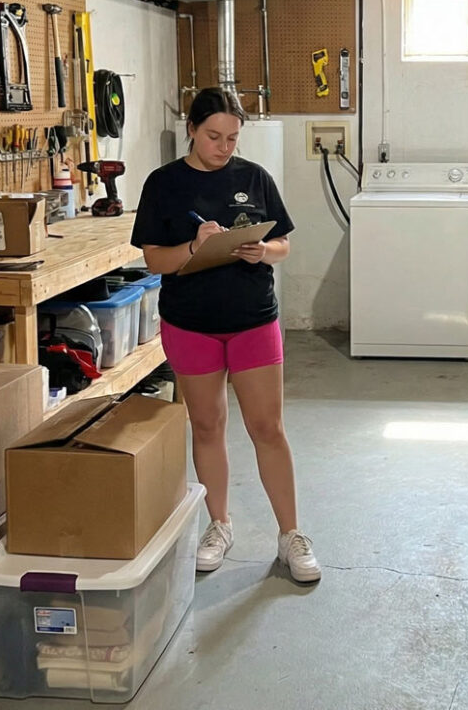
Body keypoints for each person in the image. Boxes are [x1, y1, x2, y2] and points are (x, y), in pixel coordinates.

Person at [132, 87, 320, 583]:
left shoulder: (254, 177)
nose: (224, 147)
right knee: (208, 425)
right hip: (190, 324)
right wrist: (194, 247)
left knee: (268, 428)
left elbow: (282, 243)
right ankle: (219, 524)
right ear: (191, 129)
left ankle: (291, 534)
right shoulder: (163, 184)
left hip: (253, 319)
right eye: (214, 136)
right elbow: (155, 261)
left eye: (233, 137)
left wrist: (265, 252)